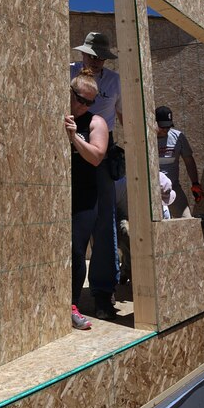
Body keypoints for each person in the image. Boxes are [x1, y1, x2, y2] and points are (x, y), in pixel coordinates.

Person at [70, 32, 121, 319]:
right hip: (70, 138)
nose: (97, 61)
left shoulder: (113, 81)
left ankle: (102, 293)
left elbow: (124, 114)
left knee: (103, 221)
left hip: (99, 146)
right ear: (83, 54)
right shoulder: (67, 72)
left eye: (101, 56)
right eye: (92, 55)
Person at [65, 69, 109, 329]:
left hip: (85, 197)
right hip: (57, 193)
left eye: (90, 102)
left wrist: (74, 138)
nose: (84, 106)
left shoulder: (96, 122)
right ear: (71, 94)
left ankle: (72, 305)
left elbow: (96, 156)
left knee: (76, 249)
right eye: (80, 99)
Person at [156, 106, 204, 218]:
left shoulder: (178, 137)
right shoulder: (145, 139)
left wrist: (195, 183)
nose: (165, 130)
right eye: (162, 126)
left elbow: (189, 161)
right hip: (152, 190)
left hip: (173, 187)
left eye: (168, 126)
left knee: (186, 220)